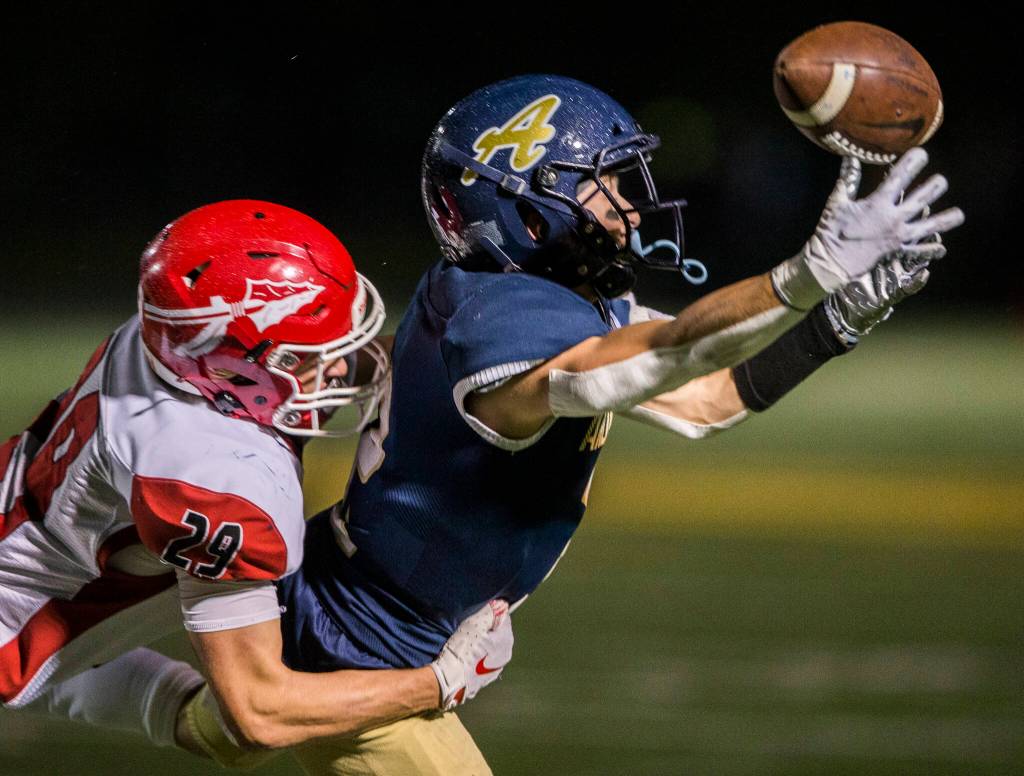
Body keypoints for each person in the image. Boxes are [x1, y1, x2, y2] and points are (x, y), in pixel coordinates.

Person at [186, 74, 964, 774]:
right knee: (253, 716)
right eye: (603, 185)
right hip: (365, 657)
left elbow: (706, 400)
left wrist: (837, 321)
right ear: (525, 210)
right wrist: (805, 276)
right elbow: (668, 350)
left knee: (215, 724)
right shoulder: (500, 328)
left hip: (345, 603)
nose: (630, 204)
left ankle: (116, 684)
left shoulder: (524, 295)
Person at [0, 200, 512, 761]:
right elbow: (260, 712)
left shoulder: (177, 342)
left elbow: (351, 365)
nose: (342, 363)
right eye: (311, 356)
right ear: (227, 372)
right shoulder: (207, 475)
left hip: (30, 564)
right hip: (20, 615)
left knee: (200, 717)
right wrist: (441, 678)